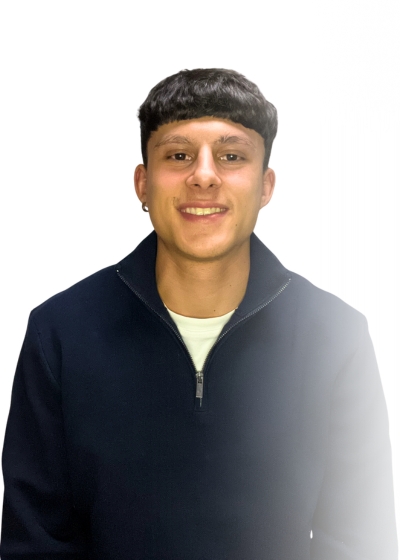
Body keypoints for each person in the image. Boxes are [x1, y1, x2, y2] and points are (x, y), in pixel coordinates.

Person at [0, 68, 397, 559]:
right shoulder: (60, 334)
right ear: (142, 183)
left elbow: (361, 542)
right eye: (178, 155)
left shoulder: (336, 337)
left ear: (265, 186)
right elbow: (35, 543)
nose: (203, 176)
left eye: (231, 156)